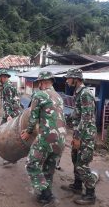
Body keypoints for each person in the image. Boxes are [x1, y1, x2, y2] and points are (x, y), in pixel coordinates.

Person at [21, 71, 66, 204]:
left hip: (47, 136)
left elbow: (33, 117)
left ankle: (47, 194)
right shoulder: (59, 97)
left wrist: (28, 132)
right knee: (48, 168)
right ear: (51, 81)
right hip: (62, 139)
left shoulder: (39, 94)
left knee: (31, 164)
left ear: (41, 83)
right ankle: (45, 195)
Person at [61, 68, 97, 205]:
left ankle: (90, 195)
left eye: (69, 78)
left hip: (85, 135)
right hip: (79, 132)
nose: (67, 80)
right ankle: (77, 185)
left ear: (76, 79)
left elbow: (86, 118)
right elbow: (77, 114)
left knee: (82, 163)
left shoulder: (85, 94)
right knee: (75, 159)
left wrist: (77, 137)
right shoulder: (78, 93)